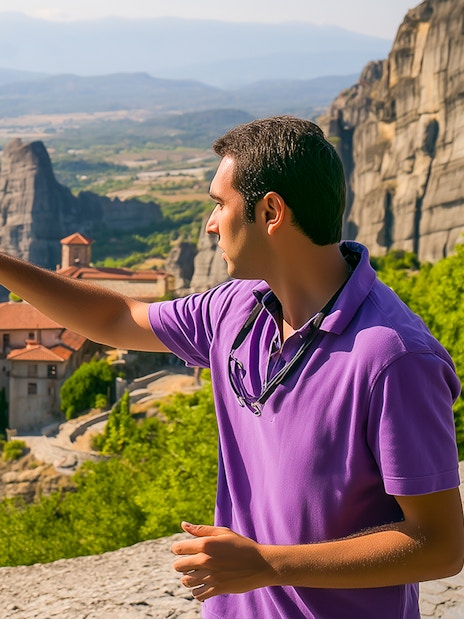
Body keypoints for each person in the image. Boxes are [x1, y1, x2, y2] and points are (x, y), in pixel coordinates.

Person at [0, 116, 463, 619]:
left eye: (220, 204)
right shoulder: (235, 308)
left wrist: (270, 565)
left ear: (271, 212)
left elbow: (440, 545)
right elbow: (116, 317)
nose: (210, 223)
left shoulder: (394, 359)